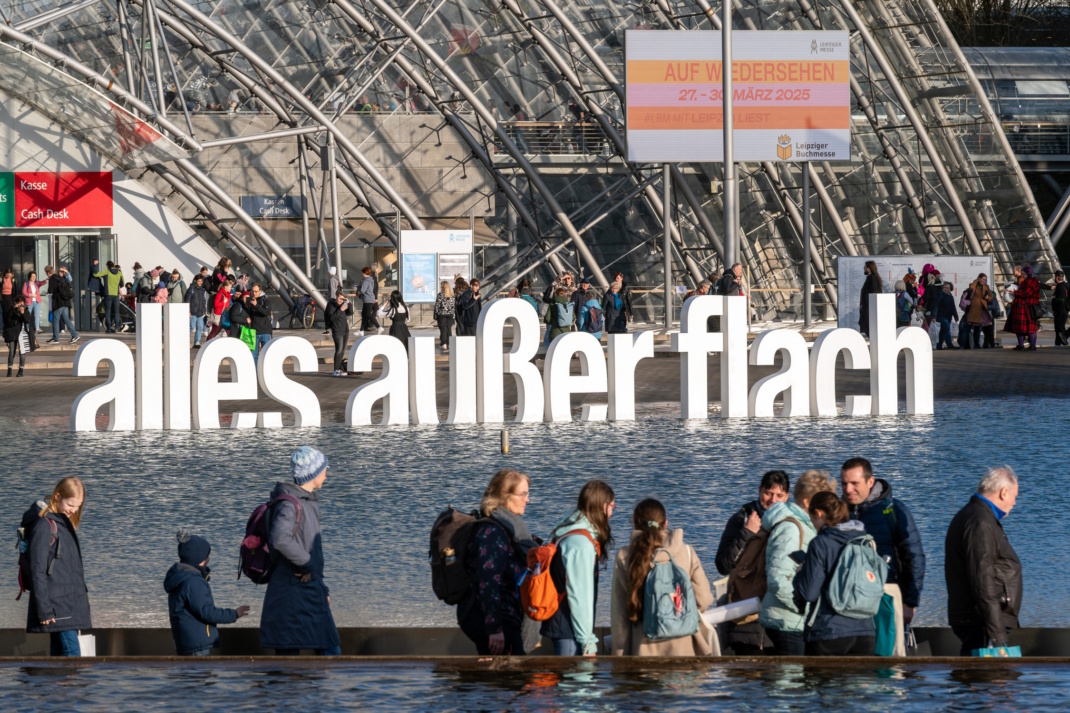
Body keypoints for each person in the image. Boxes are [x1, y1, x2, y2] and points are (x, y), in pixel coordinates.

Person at [259, 447, 341, 655]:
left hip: (306, 588)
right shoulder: (290, 504)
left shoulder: (306, 502)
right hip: (293, 591)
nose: (326, 475)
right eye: (324, 470)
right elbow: (280, 538)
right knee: (320, 650)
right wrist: (307, 564)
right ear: (313, 473)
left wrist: (322, 588)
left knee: (323, 647)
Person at [841, 457, 925, 658]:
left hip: (886, 595)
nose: (848, 489)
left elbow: (914, 556)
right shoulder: (838, 512)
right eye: (844, 483)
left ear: (870, 482)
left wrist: (910, 602)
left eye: (854, 483)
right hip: (847, 600)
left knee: (890, 659)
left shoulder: (894, 510)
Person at [610, 498, 714, 656]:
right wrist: (676, 613)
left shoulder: (625, 556)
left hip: (643, 652)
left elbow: (620, 617)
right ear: (665, 523)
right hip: (684, 649)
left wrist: (619, 657)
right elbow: (704, 599)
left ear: (635, 524)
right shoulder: (686, 552)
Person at [458, 469, 537, 656]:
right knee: (514, 672)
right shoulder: (492, 533)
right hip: (495, 619)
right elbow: (488, 582)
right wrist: (494, 629)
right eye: (522, 494)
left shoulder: (508, 528)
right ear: (504, 496)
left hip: (505, 615)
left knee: (503, 672)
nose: (528, 500)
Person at [944, 466, 1022, 656]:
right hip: (981, 621)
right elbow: (983, 580)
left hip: (983, 619)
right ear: (1004, 492)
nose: (1014, 503)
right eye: (1014, 496)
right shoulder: (980, 522)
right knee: (981, 672)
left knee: (979, 672)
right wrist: (998, 635)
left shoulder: (979, 516)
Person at [759, 470, 837, 655]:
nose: (829, 512)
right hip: (787, 623)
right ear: (808, 502)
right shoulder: (792, 530)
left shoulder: (804, 526)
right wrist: (807, 609)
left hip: (792, 621)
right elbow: (778, 579)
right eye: (825, 505)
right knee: (791, 673)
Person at [715, 470, 790, 653]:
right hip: (746, 623)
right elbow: (722, 565)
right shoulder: (741, 520)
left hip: (779, 622)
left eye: (779, 495)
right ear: (759, 491)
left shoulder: (790, 524)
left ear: (787, 497)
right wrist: (746, 534)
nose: (773, 500)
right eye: (768, 493)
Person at [792, 491, 875, 655]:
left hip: (829, 632)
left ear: (819, 513)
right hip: (865, 632)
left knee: (820, 673)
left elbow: (809, 593)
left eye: (811, 519)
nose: (813, 524)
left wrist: (801, 573)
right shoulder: (864, 540)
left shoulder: (820, 543)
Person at [542, 480, 615, 656]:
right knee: (573, 674)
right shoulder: (581, 544)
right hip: (570, 631)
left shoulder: (569, 530)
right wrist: (587, 642)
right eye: (613, 506)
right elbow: (579, 596)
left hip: (564, 625)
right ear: (603, 507)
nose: (612, 512)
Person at [23, 477, 90, 656]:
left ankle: (55, 676)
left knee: (59, 654)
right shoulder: (44, 525)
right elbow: (37, 570)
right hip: (57, 606)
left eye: (78, 506)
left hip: (66, 605)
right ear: (57, 496)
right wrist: (44, 609)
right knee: (72, 654)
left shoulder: (62, 524)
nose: (73, 510)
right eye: (70, 504)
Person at [164, 530, 250, 656]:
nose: (208, 558)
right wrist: (234, 614)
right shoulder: (194, 582)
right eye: (207, 556)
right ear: (200, 560)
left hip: (186, 641)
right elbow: (207, 612)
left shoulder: (180, 577)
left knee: (189, 669)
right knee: (199, 669)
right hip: (196, 644)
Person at [1004, 265, 1041, 351]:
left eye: (1024, 274)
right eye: (1022, 274)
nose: (1023, 275)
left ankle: (1032, 346)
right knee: (1021, 328)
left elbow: (1027, 293)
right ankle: (1022, 345)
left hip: (1027, 308)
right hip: (1023, 307)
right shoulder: (1029, 281)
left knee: (1029, 328)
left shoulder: (1031, 282)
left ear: (1029, 273)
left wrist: (1014, 293)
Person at [46, 265, 78, 345]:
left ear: (48, 273)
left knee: (55, 320)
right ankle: (75, 335)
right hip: (66, 302)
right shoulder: (61, 278)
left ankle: (56, 338)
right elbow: (69, 281)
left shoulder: (52, 279)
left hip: (58, 303)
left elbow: (50, 291)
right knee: (66, 319)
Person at [324, 290, 353, 376]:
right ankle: (336, 370)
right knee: (339, 350)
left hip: (345, 330)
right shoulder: (331, 305)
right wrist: (340, 310)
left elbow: (350, 313)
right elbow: (332, 317)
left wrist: (349, 304)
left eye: (343, 299)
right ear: (336, 296)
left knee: (343, 350)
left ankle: (339, 369)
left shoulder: (343, 305)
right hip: (337, 331)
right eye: (340, 298)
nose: (341, 301)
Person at [91, 260, 124, 332]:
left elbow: (95, 274)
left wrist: (95, 266)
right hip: (116, 295)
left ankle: (108, 328)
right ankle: (117, 327)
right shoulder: (119, 273)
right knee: (116, 311)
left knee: (108, 311)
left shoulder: (106, 272)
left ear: (107, 266)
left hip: (107, 294)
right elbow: (122, 284)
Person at [4, 300, 33, 377]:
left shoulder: (26, 311)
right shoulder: (12, 311)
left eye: (22, 304)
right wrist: (14, 310)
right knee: (11, 352)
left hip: (22, 334)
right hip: (13, 333)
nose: (20, 306)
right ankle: (9, 369)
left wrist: (23, 313)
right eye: (19, 304)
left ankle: (21, 370)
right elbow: (8, 320)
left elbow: (27, 320)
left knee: (22, 352)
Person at [246, 282, 274, 360]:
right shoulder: (250, 300)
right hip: (254, 332)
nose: (254, 293)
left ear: (260, 291)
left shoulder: (265, 300)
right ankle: (255, 368)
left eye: (256, 291)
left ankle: (265, 368)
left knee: (266, 355)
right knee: (253, 356)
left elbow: (266, 312)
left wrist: (256, 305)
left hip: (265, 331)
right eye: (252, 291)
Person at [965, 274, 993, 350]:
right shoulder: (974, 284)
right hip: (975, 308)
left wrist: (988, 297)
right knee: (976, 327)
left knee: (987, 326)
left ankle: (986, 343)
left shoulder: (986, 286)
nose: (984, 281)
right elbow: (971, 288)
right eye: (983, 279)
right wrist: (976, 281)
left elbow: (991, 297)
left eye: (985, 279)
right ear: (979, 278)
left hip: (983, 308)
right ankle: (976, 344)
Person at [205, 276, 234, 340]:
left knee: (227, 331)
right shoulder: (220, 294)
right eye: (230, 287)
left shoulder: (227, 295)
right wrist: (223, 302)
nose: (231, 288)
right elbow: (216, 305)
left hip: (224, 316)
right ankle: (207, 343)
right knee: (214, 332)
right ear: (226, 287)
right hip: (219, 316)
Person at [858, 260, 882, 337]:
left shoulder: (873, 279)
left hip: (869, 309)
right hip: (867, 308)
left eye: (865, 267)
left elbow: (874, 293)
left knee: (867, 327)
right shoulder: (870, 278)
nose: (864, 268)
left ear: (869, 268)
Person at [185, 274, 209, 348]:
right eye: (199, 281)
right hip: (193, 312)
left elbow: (203, 300)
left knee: (200, 327)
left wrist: (204, 309)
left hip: (200, 312)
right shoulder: (191, 289)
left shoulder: (201, 290)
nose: (200, 282)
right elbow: (187, 300)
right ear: (195, 281)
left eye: (201, 281)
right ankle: (184, 339)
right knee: (192, 326)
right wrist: (188, 311)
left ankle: (197, 343)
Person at [934, 282, 960, 350]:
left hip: (948, 317)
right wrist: (934, 317)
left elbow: (953, 307)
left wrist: (956, 317)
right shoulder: (940, 296)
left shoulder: (951, 297)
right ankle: (950, 345)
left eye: (947, 288)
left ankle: (939, 346)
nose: (946, 289)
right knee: (947, 329)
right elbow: (936, 306)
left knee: (943, 332)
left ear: (950, 289)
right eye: (945, 287)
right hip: (941, 316)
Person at [433, 281, 455, 352]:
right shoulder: (452, 295)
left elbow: (437, 305)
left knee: (443, 329)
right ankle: (449, 343)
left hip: (442, 314)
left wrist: (435, 315)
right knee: (449, 329)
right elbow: (453, 306)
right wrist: (453, 315)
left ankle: (444, 343)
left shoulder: (440, 295)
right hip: (450, 314)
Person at [358, 266, 379, 336]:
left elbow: (362, 290)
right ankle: (361, 330)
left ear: (364, 273)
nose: (362, 274)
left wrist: (358, 286)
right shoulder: (371, 279)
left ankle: (379, 327)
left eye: (362, 273)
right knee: (364, 314)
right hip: (369, 299)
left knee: (368, 314)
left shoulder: (366, 280)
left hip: (368, 299)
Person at [322, 267, 341, 335]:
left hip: (332, 300)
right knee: (329, 314)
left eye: (329, 272)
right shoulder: (336, 279)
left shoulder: (332, 280)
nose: (328, 273)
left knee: (329, 314)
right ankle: (329, 329)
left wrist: (332, 299)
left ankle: (329, 329)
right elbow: (335, 290)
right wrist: (328, 293)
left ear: (331, 272)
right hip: (334, 299)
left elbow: (333, 290)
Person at [1052, 270, 1069, 346]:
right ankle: (1058, 343)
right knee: (1058, 329)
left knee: (1060, 328)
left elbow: (1062, 300)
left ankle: (1063, 342)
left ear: (1056, 277)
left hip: (1061, 311)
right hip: (1062, 310)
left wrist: (1054, 299)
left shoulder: (1061, 287)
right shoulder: (1064, 286)